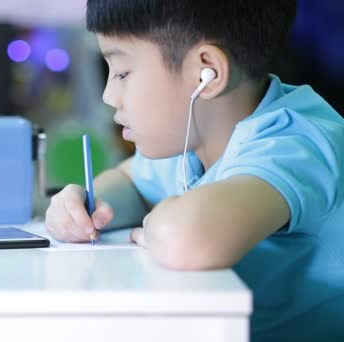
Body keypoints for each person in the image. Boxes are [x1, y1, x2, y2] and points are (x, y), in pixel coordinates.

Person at [44, 1, 344, 340]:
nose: (110, 95)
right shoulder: (190, 141)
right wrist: (84, 205)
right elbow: (130, 180)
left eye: (123, 73)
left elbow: (186, 239)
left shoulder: (296, 143)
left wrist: (162, 224)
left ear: (208, 73)